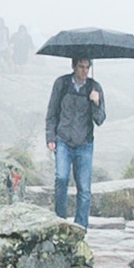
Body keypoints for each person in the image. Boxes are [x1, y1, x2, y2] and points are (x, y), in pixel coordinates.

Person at [46, 52, 105, 226]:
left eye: (87, 67)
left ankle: (80, 228)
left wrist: (95, 102)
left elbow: (100, 119)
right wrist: (50, 137)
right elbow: (52, 112)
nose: (84, 71)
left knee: (84, 189)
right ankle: (60, 222)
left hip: (85, 144)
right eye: (81, 66)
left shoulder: (95, 88)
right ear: (73, 66)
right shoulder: (62, 84)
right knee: (61, 179)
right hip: (63, 140)